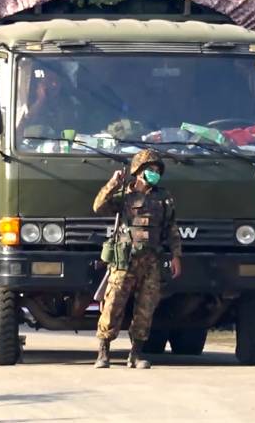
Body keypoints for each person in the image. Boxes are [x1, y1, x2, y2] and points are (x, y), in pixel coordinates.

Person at [92, 149, 182, 369]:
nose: (154, 173)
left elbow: (171, 228)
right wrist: (112, 183)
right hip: (125, 260)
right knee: (113, 305)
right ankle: (103, 353)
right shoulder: (124, 195)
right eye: (150, 170)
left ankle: (136, 354)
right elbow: (98, 206)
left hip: (151, 261)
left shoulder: (164, 197)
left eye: (157, 170)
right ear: (138, 171)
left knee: (146, 308)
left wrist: (176, 255)